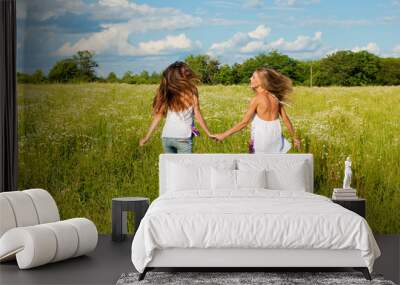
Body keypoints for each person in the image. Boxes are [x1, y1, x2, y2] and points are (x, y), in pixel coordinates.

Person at [214, 67, 300, 153]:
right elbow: (285, 119)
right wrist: (294, 137)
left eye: (254, 77)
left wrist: (223, 135)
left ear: (262, 81)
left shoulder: (257, 99)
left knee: (257, 165)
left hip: (261, 140)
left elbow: (244, 122)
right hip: (276, 138)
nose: (250, 78)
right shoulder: (275, 98)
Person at [139, 61, 214, 153]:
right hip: (183, 137)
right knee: (185, 166)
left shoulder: (168, 91)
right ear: (182, 75)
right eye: (186, 70)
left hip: (166, 137)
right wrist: (208, 133)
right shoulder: (192, 90)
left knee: (171, 167)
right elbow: (197, 113)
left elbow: (158, 116)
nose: (188, 71)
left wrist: (147, 137)